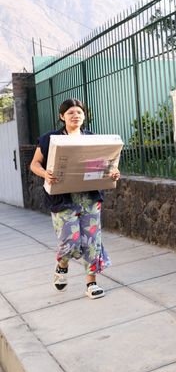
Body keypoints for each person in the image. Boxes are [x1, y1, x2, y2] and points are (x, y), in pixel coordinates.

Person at [29, 98, 119, 300]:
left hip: (89, 197)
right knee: (69, 241)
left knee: (92, 240)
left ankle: (92, 283)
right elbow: (34, 164)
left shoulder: (92, 138)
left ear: (84, 115)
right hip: (63, 199)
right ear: (62, 116)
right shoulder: (49, 138)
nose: (75, 115)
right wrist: (45, 174)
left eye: (79, 112)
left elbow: (105, 165)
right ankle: (62, 265)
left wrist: (112, 172)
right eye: (70, 112)